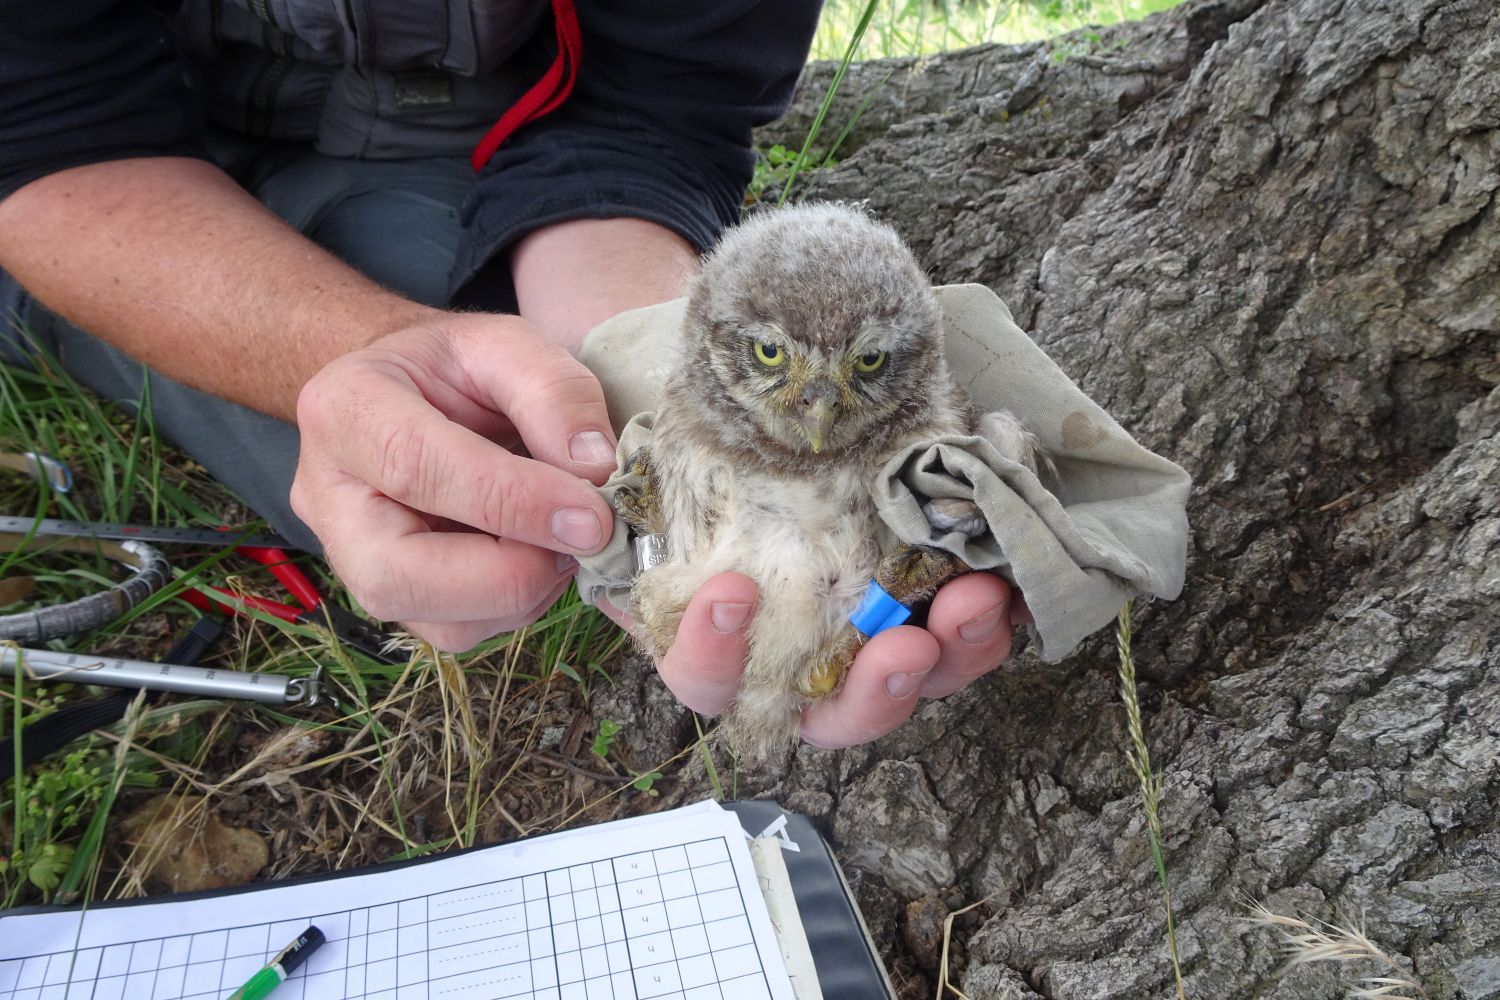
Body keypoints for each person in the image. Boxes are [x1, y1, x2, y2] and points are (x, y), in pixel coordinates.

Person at [0, 0, 1027, 750]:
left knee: (500, 472)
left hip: (462, 145)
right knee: (434, 476)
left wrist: (629, 389)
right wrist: (373, 368)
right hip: (81, 180)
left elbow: (644, 116)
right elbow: (49, 133)